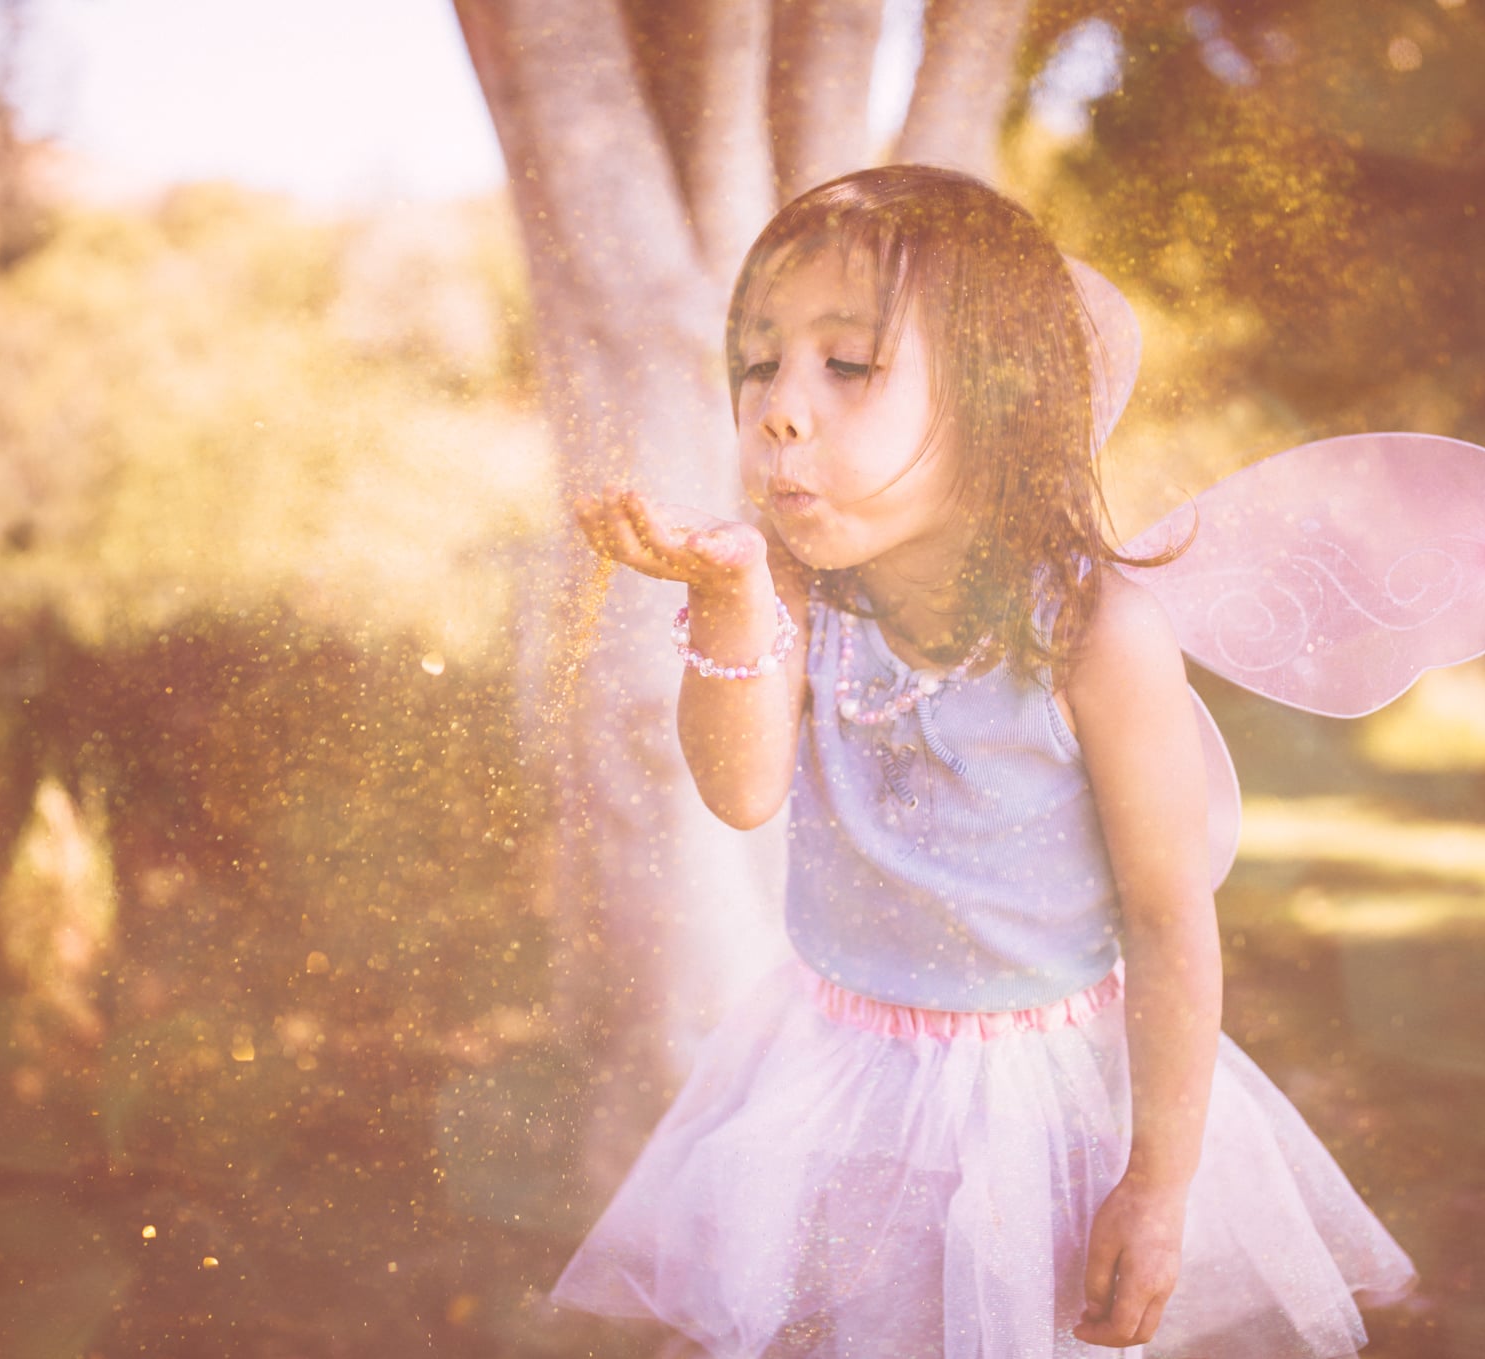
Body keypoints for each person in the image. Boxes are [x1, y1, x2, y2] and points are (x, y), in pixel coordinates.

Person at [560, 164, 1417, 1358]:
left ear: (992, 400)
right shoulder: (801, 592)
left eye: (845, 365)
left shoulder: (1092, 633)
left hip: (1039, 1103)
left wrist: (1157, 1188)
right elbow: (740, 790)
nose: (777, 409)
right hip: (838, 1068)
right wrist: (729, 598)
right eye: (760, 364)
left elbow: (1171, 920)